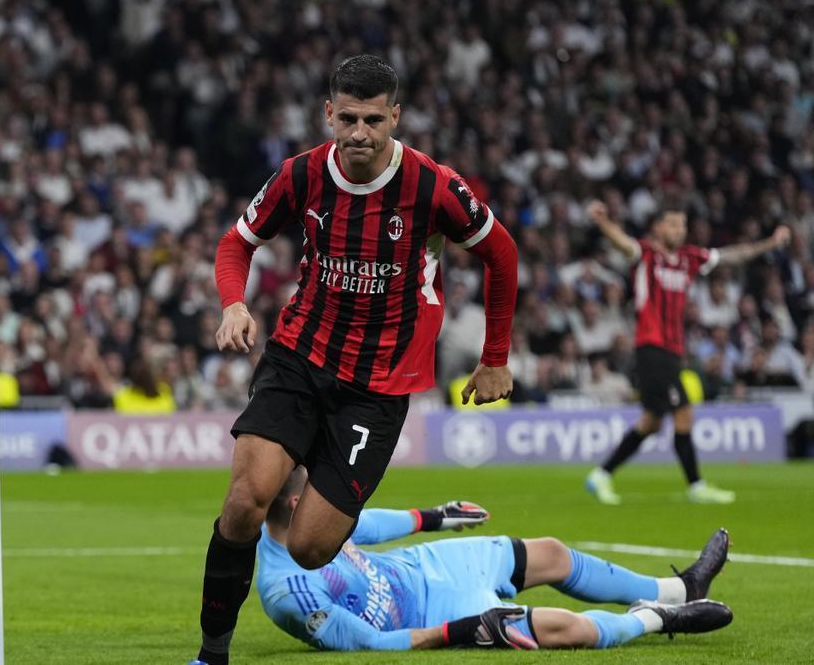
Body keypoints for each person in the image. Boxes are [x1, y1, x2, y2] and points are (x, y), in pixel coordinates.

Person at [192, 54, 520, 665]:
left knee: (311, 548)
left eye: (373, 119)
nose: (360, 133)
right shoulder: (301, 175)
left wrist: (494, 356)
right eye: (347, 119)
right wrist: (233, 304)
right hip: (300, 354)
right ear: (328, 114)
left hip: (380, 382)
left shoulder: (433, 186)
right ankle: (212, 655)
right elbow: (237, 242)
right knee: (242, 505)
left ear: (396, 116)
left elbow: (502, 254)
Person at [257, 468, 732, 653]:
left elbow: (366, 523)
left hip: (424, 567)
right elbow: (367, 645)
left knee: (550, 553)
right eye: (315, 486)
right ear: (300, 506)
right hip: (435, 615)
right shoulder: (290, 593)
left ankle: (680, 589)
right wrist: (462, 631)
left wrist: (431, 517)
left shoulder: (314, 520)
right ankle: (658, 619)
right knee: (571, 629)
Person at [584, 201, 791, 504]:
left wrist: (770, 243)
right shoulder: (646, 255)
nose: (679, 230)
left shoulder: (690, 258)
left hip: (672, 349)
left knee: (651, 422)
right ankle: (696, 485)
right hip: (651, 347)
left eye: (682, 225)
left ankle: (600, 475)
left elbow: (734, 255)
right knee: (683, 412)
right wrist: (603, 221)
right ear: (658, 228)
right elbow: (623, 243)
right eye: (672, 224)